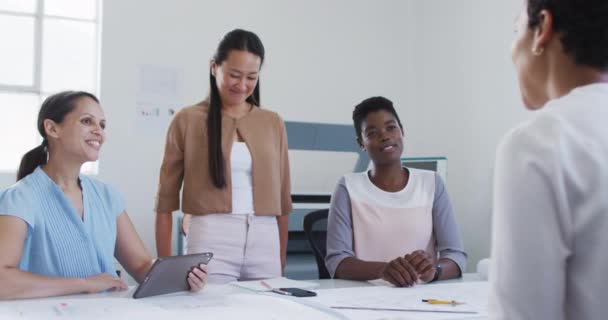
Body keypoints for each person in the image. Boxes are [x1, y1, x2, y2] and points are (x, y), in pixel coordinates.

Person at [0, 91, 207, 300]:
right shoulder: (19, 198)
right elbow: (3, 280)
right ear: (52, 128)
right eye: (87, 121)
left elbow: (142, 266)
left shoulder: (107, 196)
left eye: (102, 125)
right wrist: (84, 284)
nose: (98, 131)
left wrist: (183, 276)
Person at [489, 0, 608, 319]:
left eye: (517, 31)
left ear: (542, 28)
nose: (513, 50)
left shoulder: (538, 143)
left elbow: (523, 313)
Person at [155, 29, 292, 284]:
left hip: (265, 238)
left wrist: (280, 260)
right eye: (234, 75)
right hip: (210, 236)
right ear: (214, 67)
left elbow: (283, 202)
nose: (242, 85)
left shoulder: (273, 122)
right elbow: (165, 202)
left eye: (251, 77)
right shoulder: (187, 119)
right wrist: (164, 273)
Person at [325, 96, 466, 287]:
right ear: (361, 143)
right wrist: (383, 270)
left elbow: (456, 256)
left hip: (423, 297)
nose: (385, 136)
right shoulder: (348, 187)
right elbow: (337, 261)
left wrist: (435, 271)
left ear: (402, 131)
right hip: (365, 298)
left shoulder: (431, 183)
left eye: (391, 127)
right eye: (372, 132)